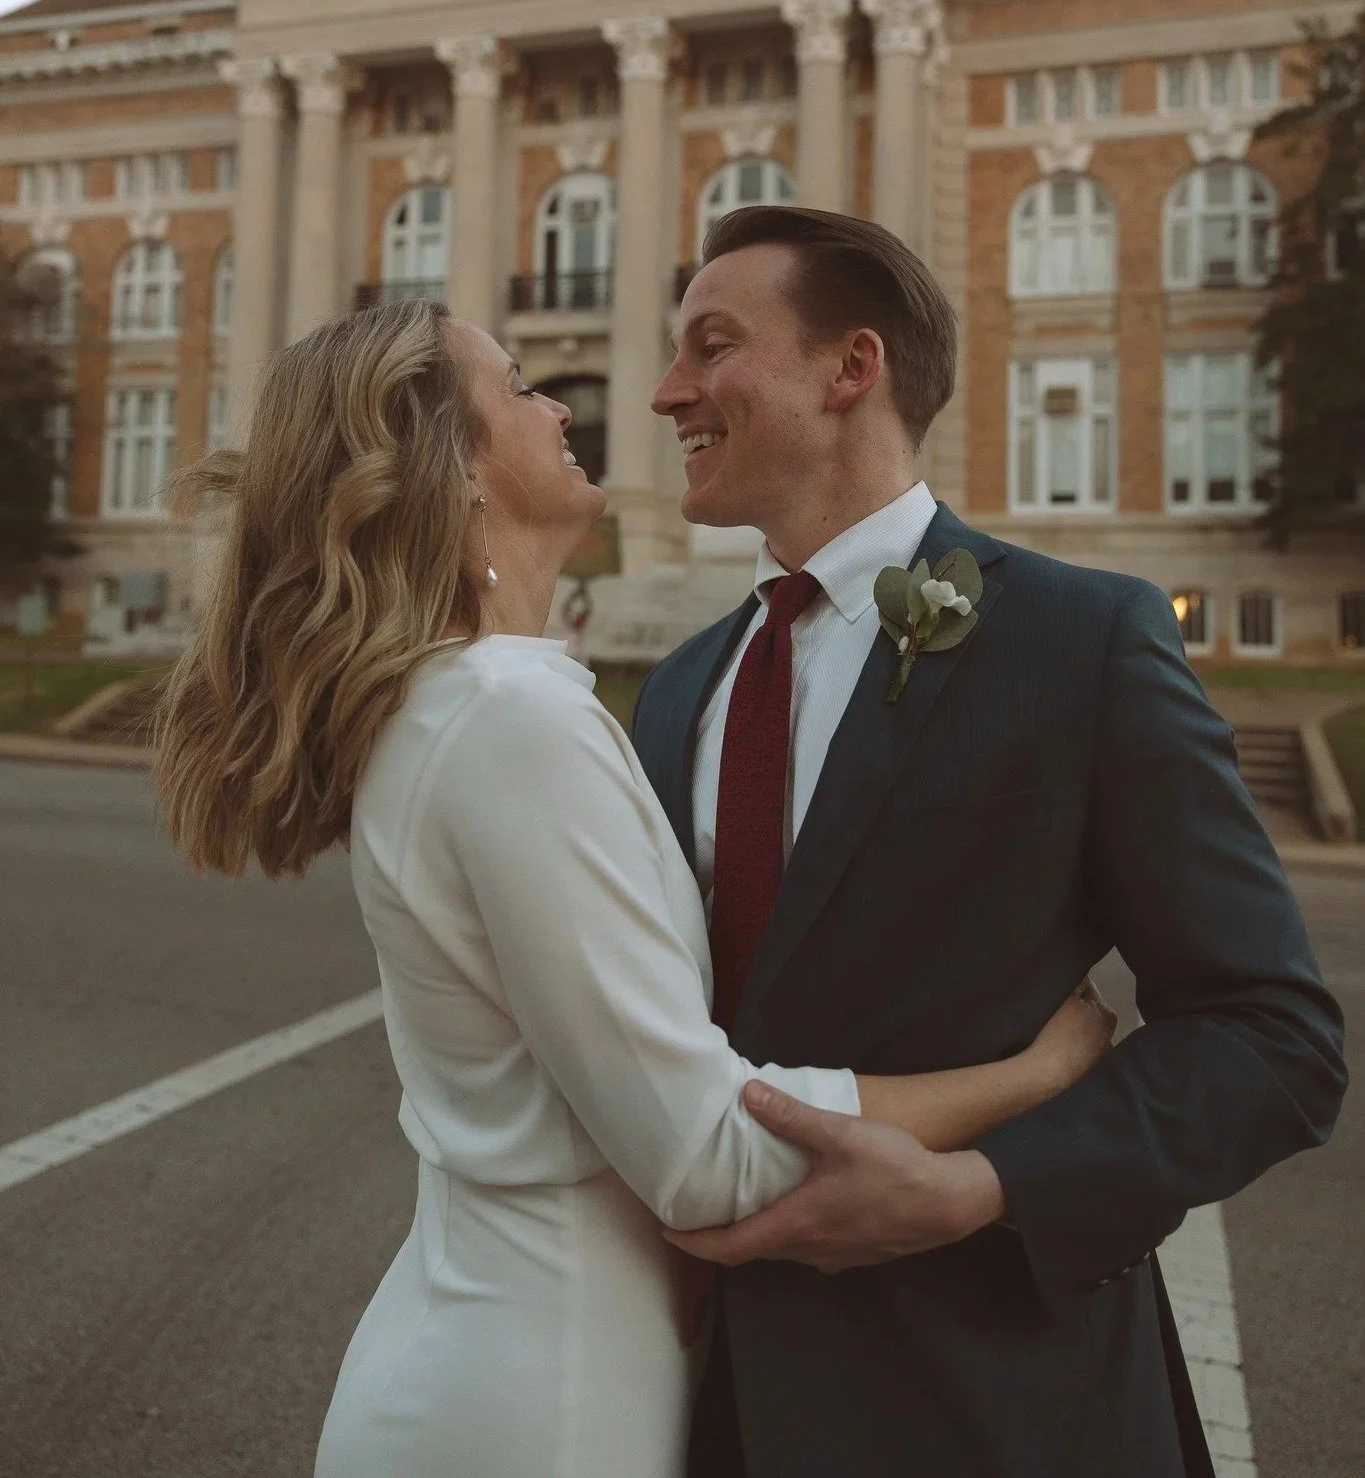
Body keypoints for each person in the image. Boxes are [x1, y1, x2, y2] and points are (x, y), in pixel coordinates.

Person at [154, 300, 1115, 1478]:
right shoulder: (510, 719)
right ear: (452, 465)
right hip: (544, 1396)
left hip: (509, 1342)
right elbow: (706, 1157)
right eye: (515, 389)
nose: (560, 406)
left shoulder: (459, 705)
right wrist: (1035, 1076)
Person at [635, 203, 1348, 1478]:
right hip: (707, 1399)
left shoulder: (1083, 642)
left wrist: (989, 1186)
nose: (665, 391)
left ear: (852, 369)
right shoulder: (681, 687)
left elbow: (1273, 1037)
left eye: (711, 344)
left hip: (997, 1406)